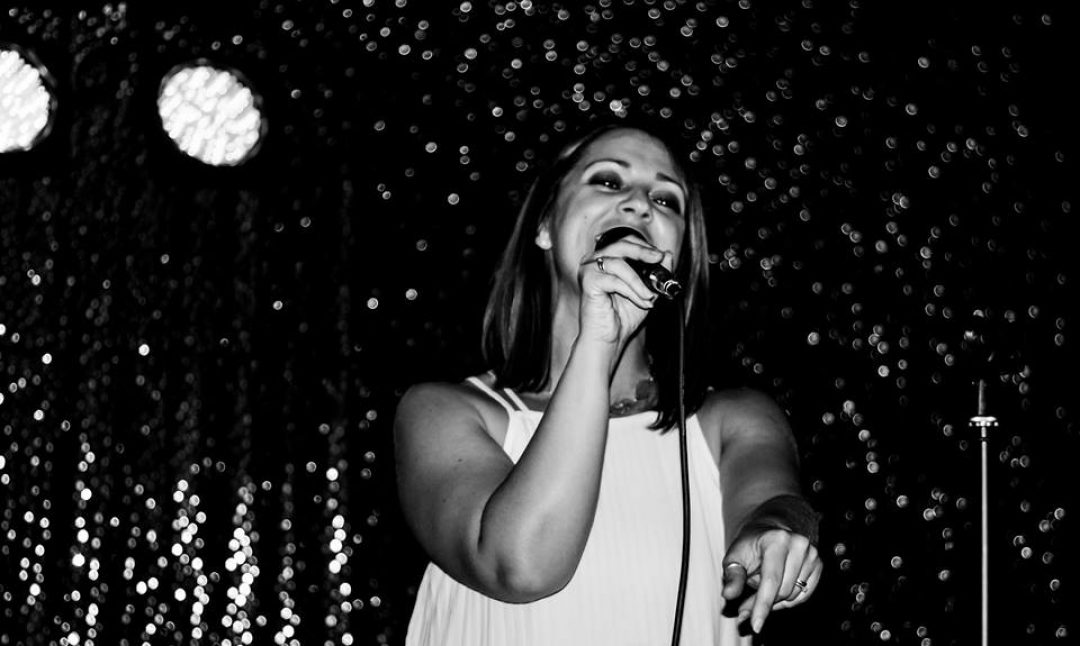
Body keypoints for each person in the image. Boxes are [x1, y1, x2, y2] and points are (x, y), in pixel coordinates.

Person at [394, 121, 822, 645]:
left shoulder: (730, 419)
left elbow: (773, 503)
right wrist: (599, 341)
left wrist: (776, 530)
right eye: (609, 181)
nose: (640, 204)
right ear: (545, 226)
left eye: (666, 200)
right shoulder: (444, 411)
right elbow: (521, 565)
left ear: (680, 255)